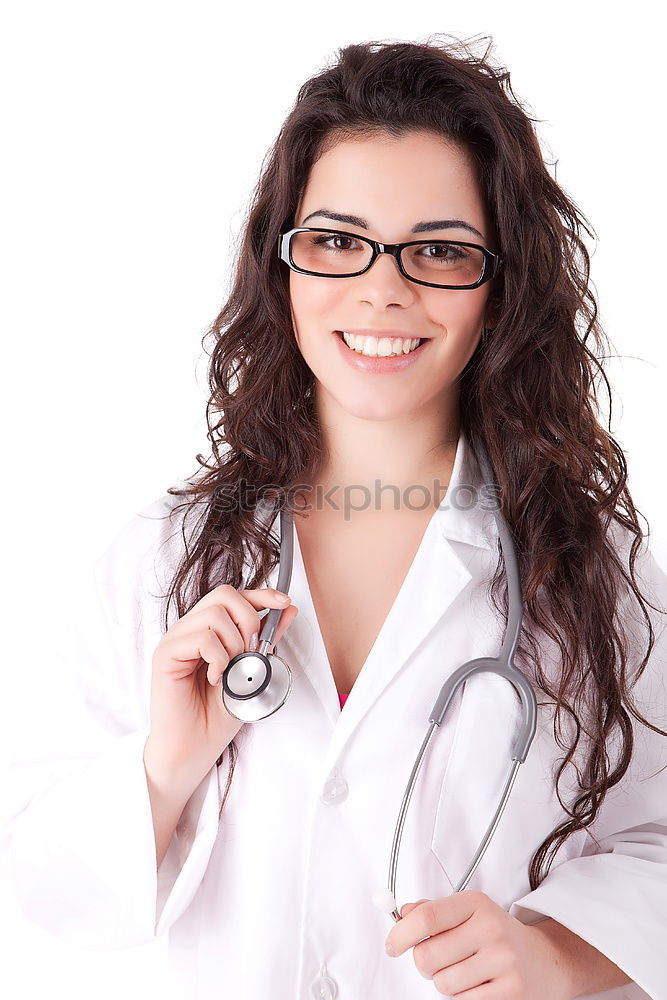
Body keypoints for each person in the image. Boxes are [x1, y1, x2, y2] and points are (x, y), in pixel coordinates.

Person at [5, 34, 667, 1000]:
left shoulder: (591, 576)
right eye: (336, 240)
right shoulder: (161, 558)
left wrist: (557, 955)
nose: (381, 287)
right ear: (283, 265)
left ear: (502, 285)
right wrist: (163, 770)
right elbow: (38, 878)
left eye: (439, 249)